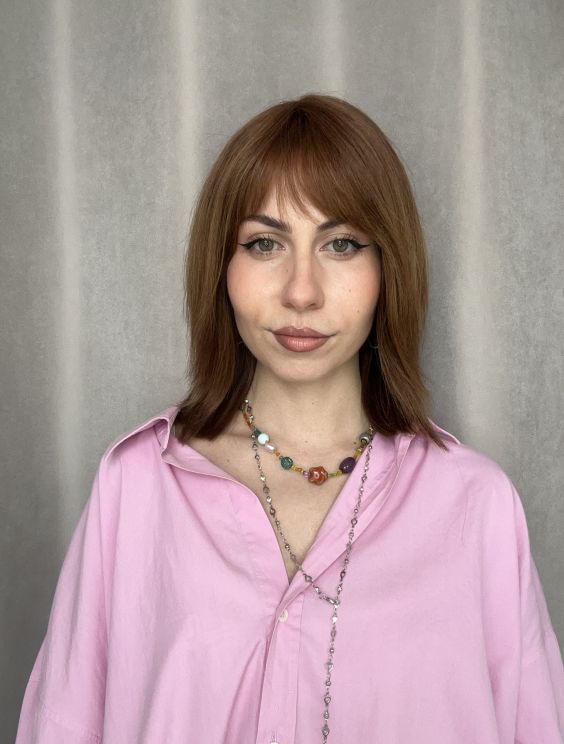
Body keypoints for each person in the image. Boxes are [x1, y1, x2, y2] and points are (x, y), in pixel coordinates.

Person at [15, 94, 564, 743]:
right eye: (265, 243)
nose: (301, 291)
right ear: (221, 266)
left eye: (341, 243)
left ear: (388, 266)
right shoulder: (136, 486)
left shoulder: (477, 506)